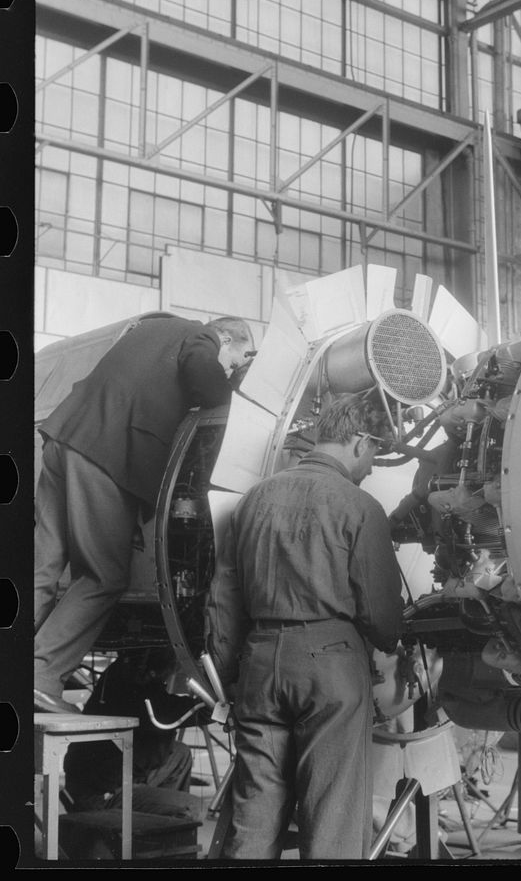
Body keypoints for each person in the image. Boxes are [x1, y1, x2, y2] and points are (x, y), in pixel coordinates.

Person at [205, 391, 405, 860]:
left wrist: (231, 672)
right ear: (359, 440)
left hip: (258, 664)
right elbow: (382, 618)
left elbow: (223, 599)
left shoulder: (253, 500)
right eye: (375, 450)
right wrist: (395, 639)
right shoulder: (360, 506)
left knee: (255, 811)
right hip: (329, 666)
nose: (372, 466)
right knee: (332, 816)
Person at [34, 314, 254, 715]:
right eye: (233, 362)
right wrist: (237, 402)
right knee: (103, 576)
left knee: (43, 568)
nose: (230, 371)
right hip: (101, 455)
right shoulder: (198, 335)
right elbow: (204, 376)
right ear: (226, 339)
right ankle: (41, 675)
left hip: (62, 441)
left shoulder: (151, 330)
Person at [63, 647, 207, 816]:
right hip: (102, 794)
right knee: (194, 807)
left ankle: (156, 824)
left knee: (180, 754)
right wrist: (215, 707)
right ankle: (154, 830)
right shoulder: (135, 684)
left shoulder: (123, 671)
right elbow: (164, 711)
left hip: (111, 776)